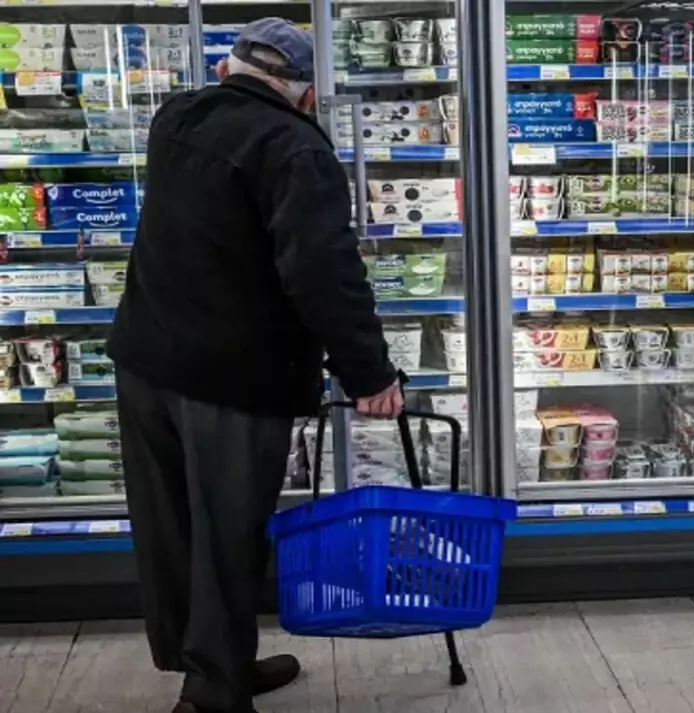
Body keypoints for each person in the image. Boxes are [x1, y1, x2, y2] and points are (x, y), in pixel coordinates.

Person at [106, 18, 404, 713]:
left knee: (171, 528)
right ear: (306, 95)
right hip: (229, 378)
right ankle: (213, 692)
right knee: (227, 535)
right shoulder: (295, 148)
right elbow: (324, 274)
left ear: (225, 71)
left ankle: (211, 662)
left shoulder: (176, 116)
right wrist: (369, 374)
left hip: (146, 361)